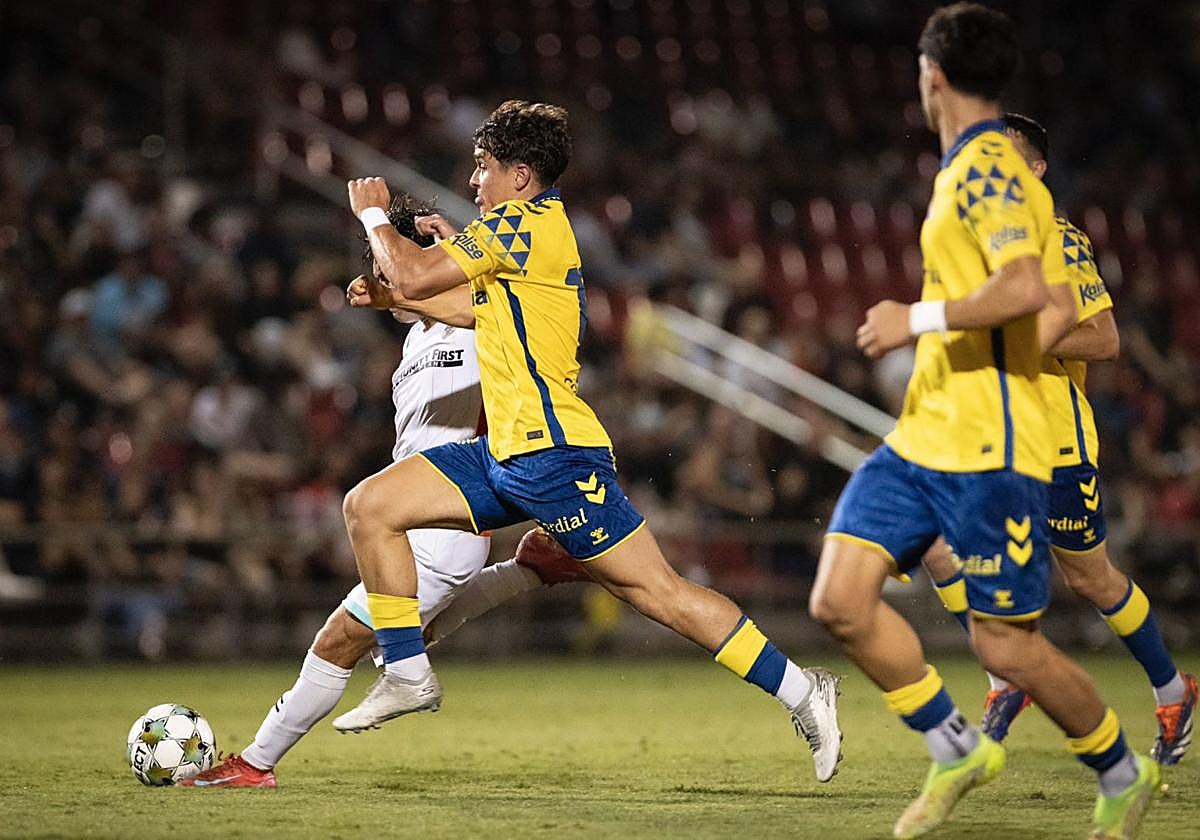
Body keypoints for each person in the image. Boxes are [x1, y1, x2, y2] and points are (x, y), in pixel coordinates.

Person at [332, 99, 843, 782]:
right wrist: (398, 300)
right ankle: (407, 670)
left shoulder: (518, 224)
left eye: (484, 169)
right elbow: (458, 303)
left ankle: (805, 692)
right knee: (371, 507)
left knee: (659, 594)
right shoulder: (527, 228)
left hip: (553, 455)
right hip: (505, 453)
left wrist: (373, 215)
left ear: (520, 175)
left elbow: (421, 274)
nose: (474, 182)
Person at [806, 5, 1158, 838]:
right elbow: (1049, 302)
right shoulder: (971, 165)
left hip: (992, 445)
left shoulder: (989, 168)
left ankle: (1119, 767)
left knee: (1008, 649)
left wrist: (916, 321)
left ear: (932, 76)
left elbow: (1026, 289)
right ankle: (957, 746)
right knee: (840, 598)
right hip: (927, 430)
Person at [178, 196, 518, 788]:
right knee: (386, 636)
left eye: (395, 265)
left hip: (443, 522)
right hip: (416, 523)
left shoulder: (481, 324)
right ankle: (529, 570)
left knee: (340, 640)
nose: (386, 277)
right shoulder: (413, 347)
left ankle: (256, 765)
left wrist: (446, 248)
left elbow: (494, 290)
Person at [922, 113, 1196, 760]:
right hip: (991, 434)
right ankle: (1004, 679)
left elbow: (1105, 338)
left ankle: (1171, 689)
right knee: (928, 541)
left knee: (1094, 580)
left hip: (1054, 441)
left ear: (1037, 172)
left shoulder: (1057, 240)